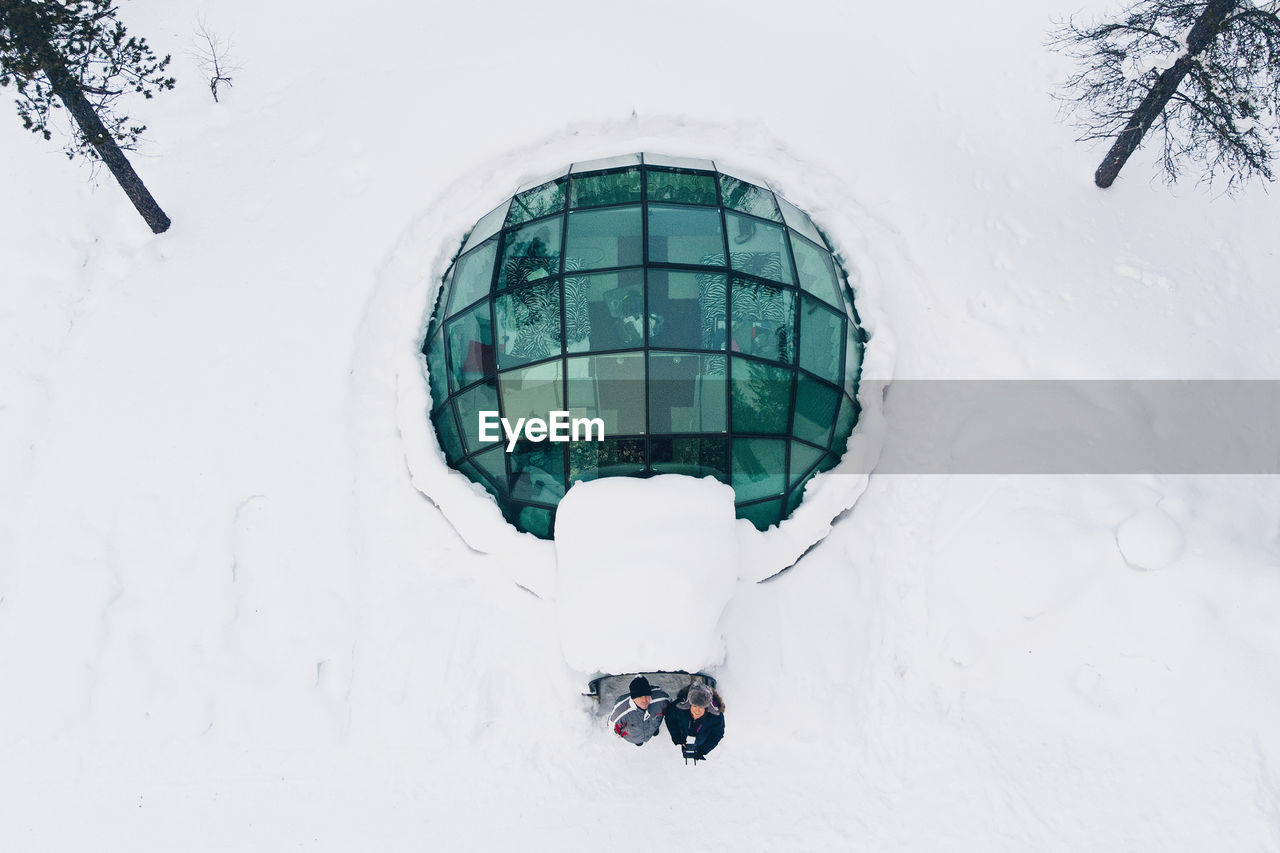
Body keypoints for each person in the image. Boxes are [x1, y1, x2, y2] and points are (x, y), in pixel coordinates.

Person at [665, 681, 724, 761]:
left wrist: (703, 750)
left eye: (701, 707)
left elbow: (717, 734)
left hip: (701, 735)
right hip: (685, 729)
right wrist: (676, 735)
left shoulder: (715, 718)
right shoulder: (679, 708)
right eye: (695, 706)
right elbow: (669, 718)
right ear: (689, 704)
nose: (697, 711)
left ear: (707, 708)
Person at [608, 675, 670, 746]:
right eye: (639, 696)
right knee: (638, 741)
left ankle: (653, 731)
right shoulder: (621, 712)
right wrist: (622, 735)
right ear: (633, 698)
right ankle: (637, 740)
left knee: (654, 725)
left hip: (651, 727)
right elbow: (612, 727)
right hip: (634, 736)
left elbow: (671, 708)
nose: (644, 700)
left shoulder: (661, 700)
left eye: (646, 695)